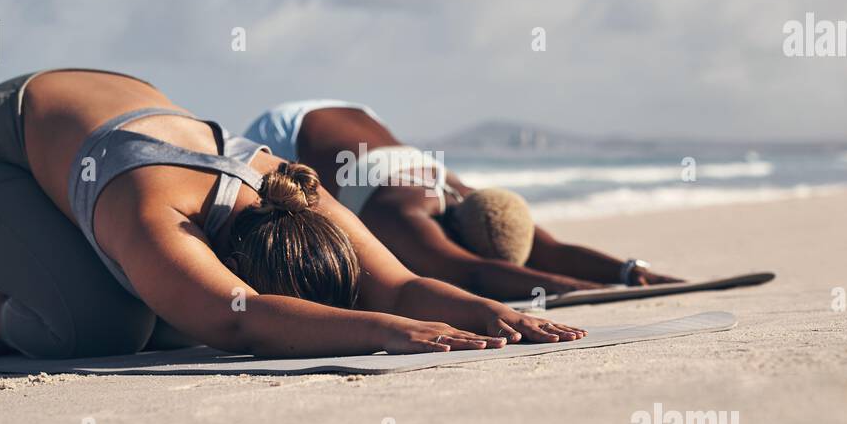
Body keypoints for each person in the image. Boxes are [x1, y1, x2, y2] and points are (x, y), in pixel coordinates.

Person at [0, 70, 584, 360]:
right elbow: (243, 321)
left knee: (171, 316)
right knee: (106, 329)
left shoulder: (290, 187)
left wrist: (485, 311)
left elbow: (400, 282)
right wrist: (385, 331)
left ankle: (63, 263)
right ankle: (3, 305)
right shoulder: (158, 212)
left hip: (83, 133)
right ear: (232, 259)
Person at [243, 100, 683, 302]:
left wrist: (629, 271)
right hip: (282, 133)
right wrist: (590, 290)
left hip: (353, 113)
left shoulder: (476, 200)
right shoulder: (402, 213)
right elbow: (472, 272)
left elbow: (547, 248)